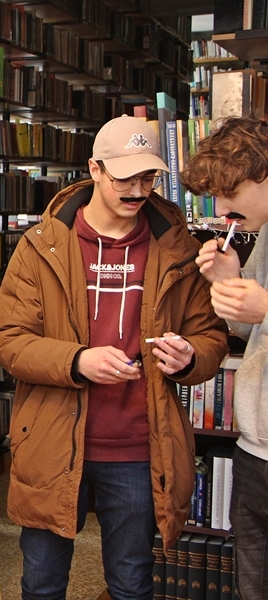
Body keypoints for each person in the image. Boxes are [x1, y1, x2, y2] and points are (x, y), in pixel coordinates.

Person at [0, 114, 228, 600]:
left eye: (148, 178)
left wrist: (189, 358)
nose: (137, 190)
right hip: (52, 441)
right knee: (41, 582)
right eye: (125, 178)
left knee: (132, 582)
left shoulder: (179, 250)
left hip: (140, 446)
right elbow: (8, 339)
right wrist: (77, 361)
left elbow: (210, 337)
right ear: (95, 169)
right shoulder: (41, 246)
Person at [185, 116, 268, 599]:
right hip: (255, 449)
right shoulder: (264, 232)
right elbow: (250, 332)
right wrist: (229, 282)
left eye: (229, 193)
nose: (221, 210)